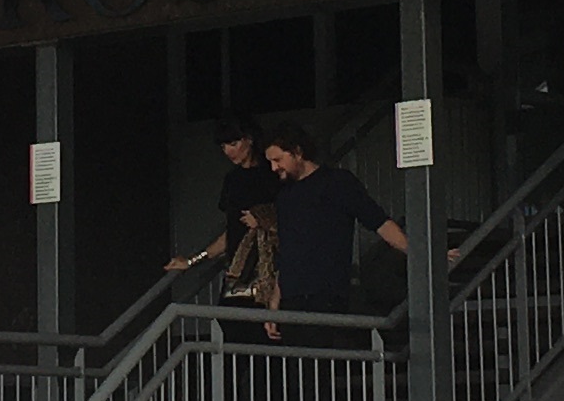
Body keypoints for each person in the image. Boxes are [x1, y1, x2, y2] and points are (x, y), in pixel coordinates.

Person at [259, 122, 408, 320]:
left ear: (297, 152)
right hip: (291, 299)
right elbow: (286, 251)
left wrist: (418, 253)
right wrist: (275, 302)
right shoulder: (285, 196)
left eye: (278, 160)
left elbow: (379, 222)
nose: (274, 167)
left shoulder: (337, 183)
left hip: (327, 296)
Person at [169, 119, 278, 309]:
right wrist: (192, 260)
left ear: (249, 139)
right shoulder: (232, 180)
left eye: (233, 144)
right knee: (230, 316)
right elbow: (231, 231)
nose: (228, 151)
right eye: (223, 146)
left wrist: (263, 218)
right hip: (238, 269)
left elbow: (290, 216)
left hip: (269, 268)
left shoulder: (273, 174)